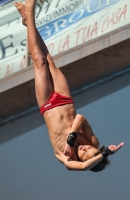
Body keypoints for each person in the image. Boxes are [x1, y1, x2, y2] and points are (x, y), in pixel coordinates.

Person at [15, 1, 124, 171]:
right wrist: (72, 137)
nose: (85, 148)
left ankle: (29, 15)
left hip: (48, 105)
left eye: (85, 153)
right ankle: (28, 20)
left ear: (83, 161)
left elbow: (85, 165)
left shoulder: (68, 160)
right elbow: (80, 118)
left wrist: (102, 155)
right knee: (49, 60)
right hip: (65, 99)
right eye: (90, 149)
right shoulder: (93, 142)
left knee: (39, 61)